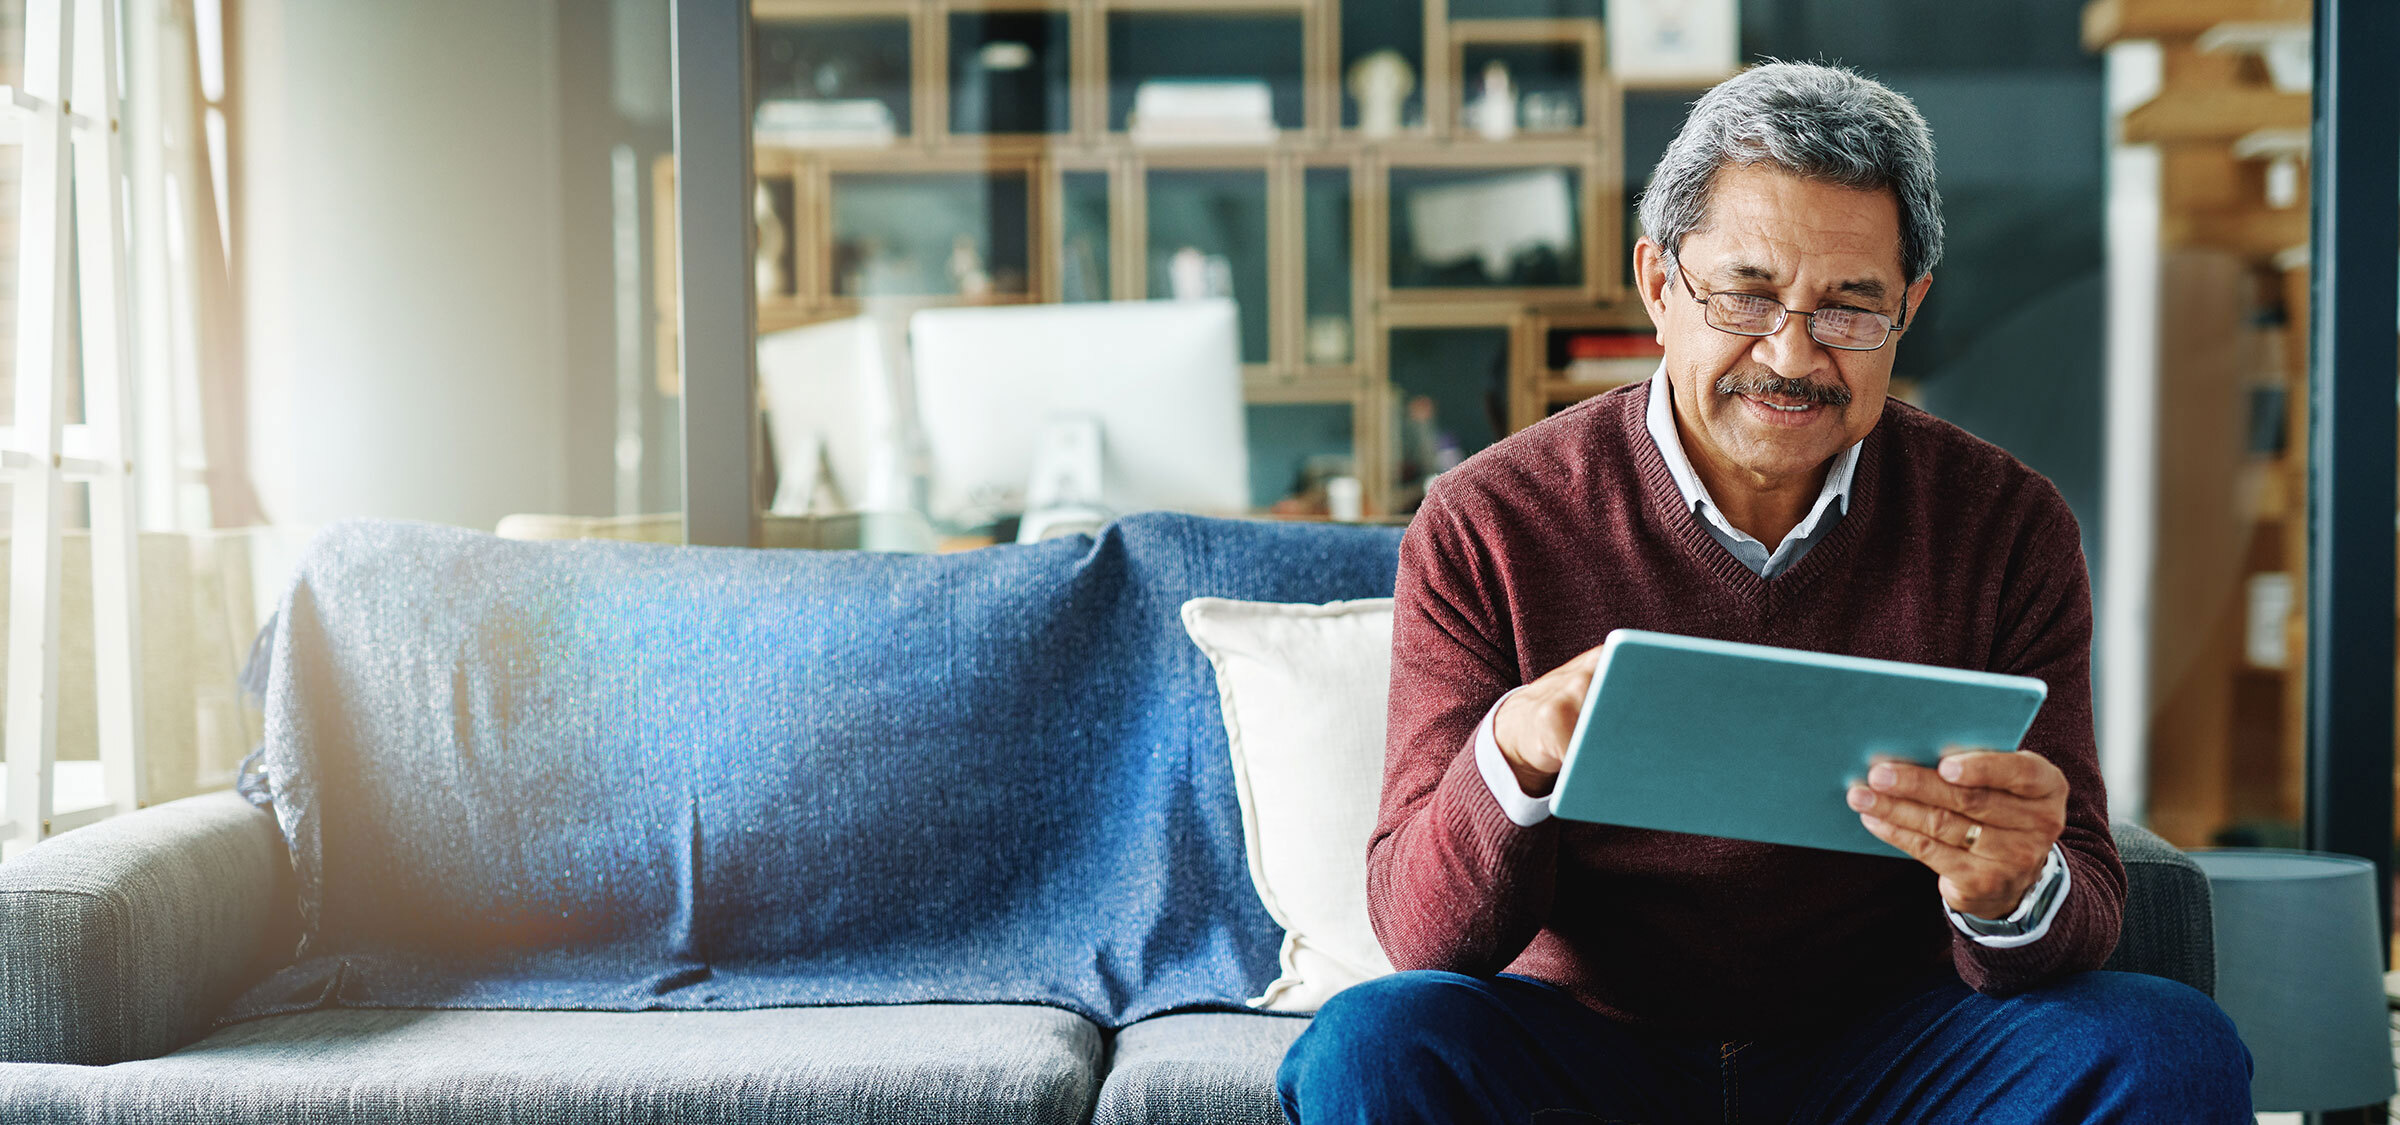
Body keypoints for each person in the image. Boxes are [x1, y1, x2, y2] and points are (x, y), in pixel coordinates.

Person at [1277, 61, 2253, 1124]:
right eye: (1747, 294)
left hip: (1895, 1047)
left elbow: (2087, 900)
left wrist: (2013, 890)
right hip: (1589, 1047)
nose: (1791, 354)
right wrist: (1514, 748)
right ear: (1659, 285)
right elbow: (1424, 940)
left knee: (2170, 1046)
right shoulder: (1486, 520)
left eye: (1849, 309)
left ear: (1909, 308)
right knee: (1370, 1049)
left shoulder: (2006, 523)